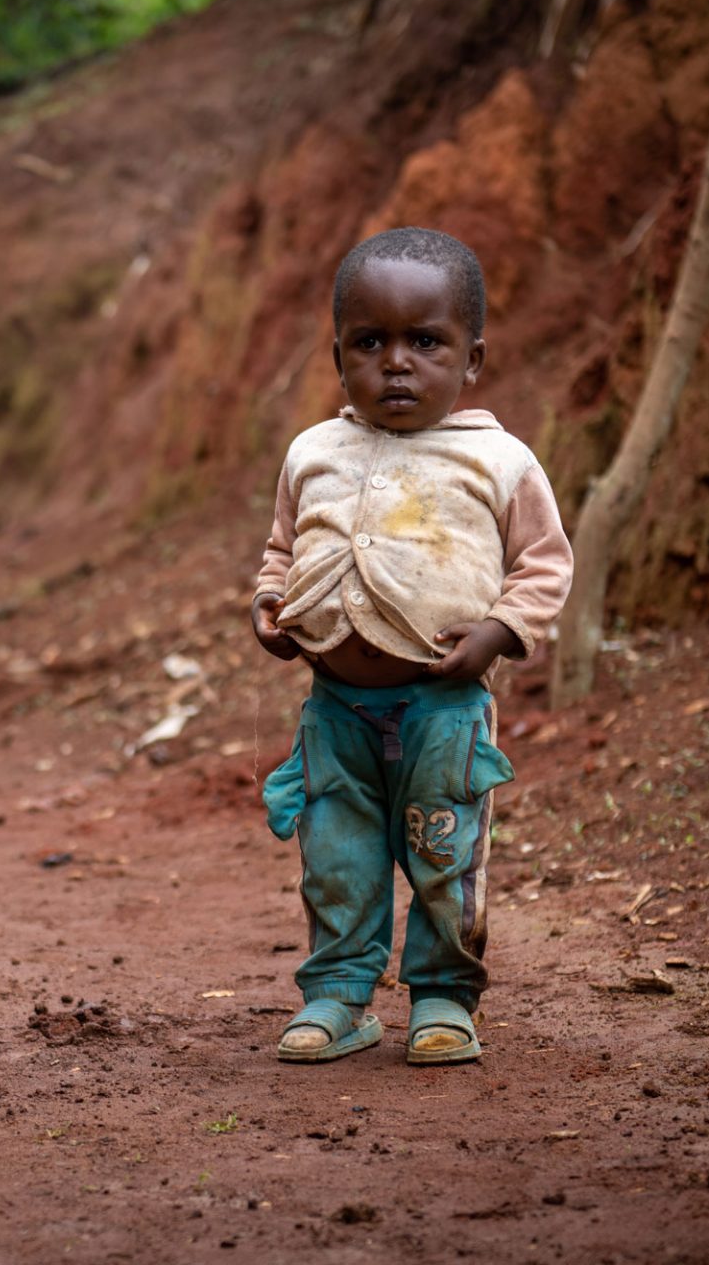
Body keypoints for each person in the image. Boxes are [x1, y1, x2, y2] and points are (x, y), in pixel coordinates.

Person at [250, 226, 573, 1066]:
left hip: (444, 711)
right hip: (335, 712)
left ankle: (442, 996)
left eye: (424, 342)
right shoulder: (314, 451)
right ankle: (338, 996)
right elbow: (282, 552)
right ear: (338, 356)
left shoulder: (498, 461)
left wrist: (500, 632)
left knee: (444, 852)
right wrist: (270, 607)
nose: (396, 362)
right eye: (371, 343)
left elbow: (544, 565)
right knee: (337, 858)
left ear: (470, 360)